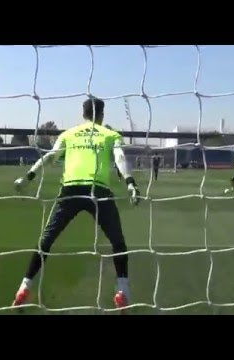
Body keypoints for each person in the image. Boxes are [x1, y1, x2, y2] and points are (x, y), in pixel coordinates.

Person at [11, 97, 140, 311]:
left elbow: (50, 157)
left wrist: (28, 177)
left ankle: (24, 286)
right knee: (118, 242)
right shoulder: (110, 134)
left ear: (83, 114)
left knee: (46, 241)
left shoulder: (68, 134)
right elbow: (119, 157)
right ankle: (122, 290)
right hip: (98, 190)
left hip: (70, 190)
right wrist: (130, 183)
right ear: (101, 115)